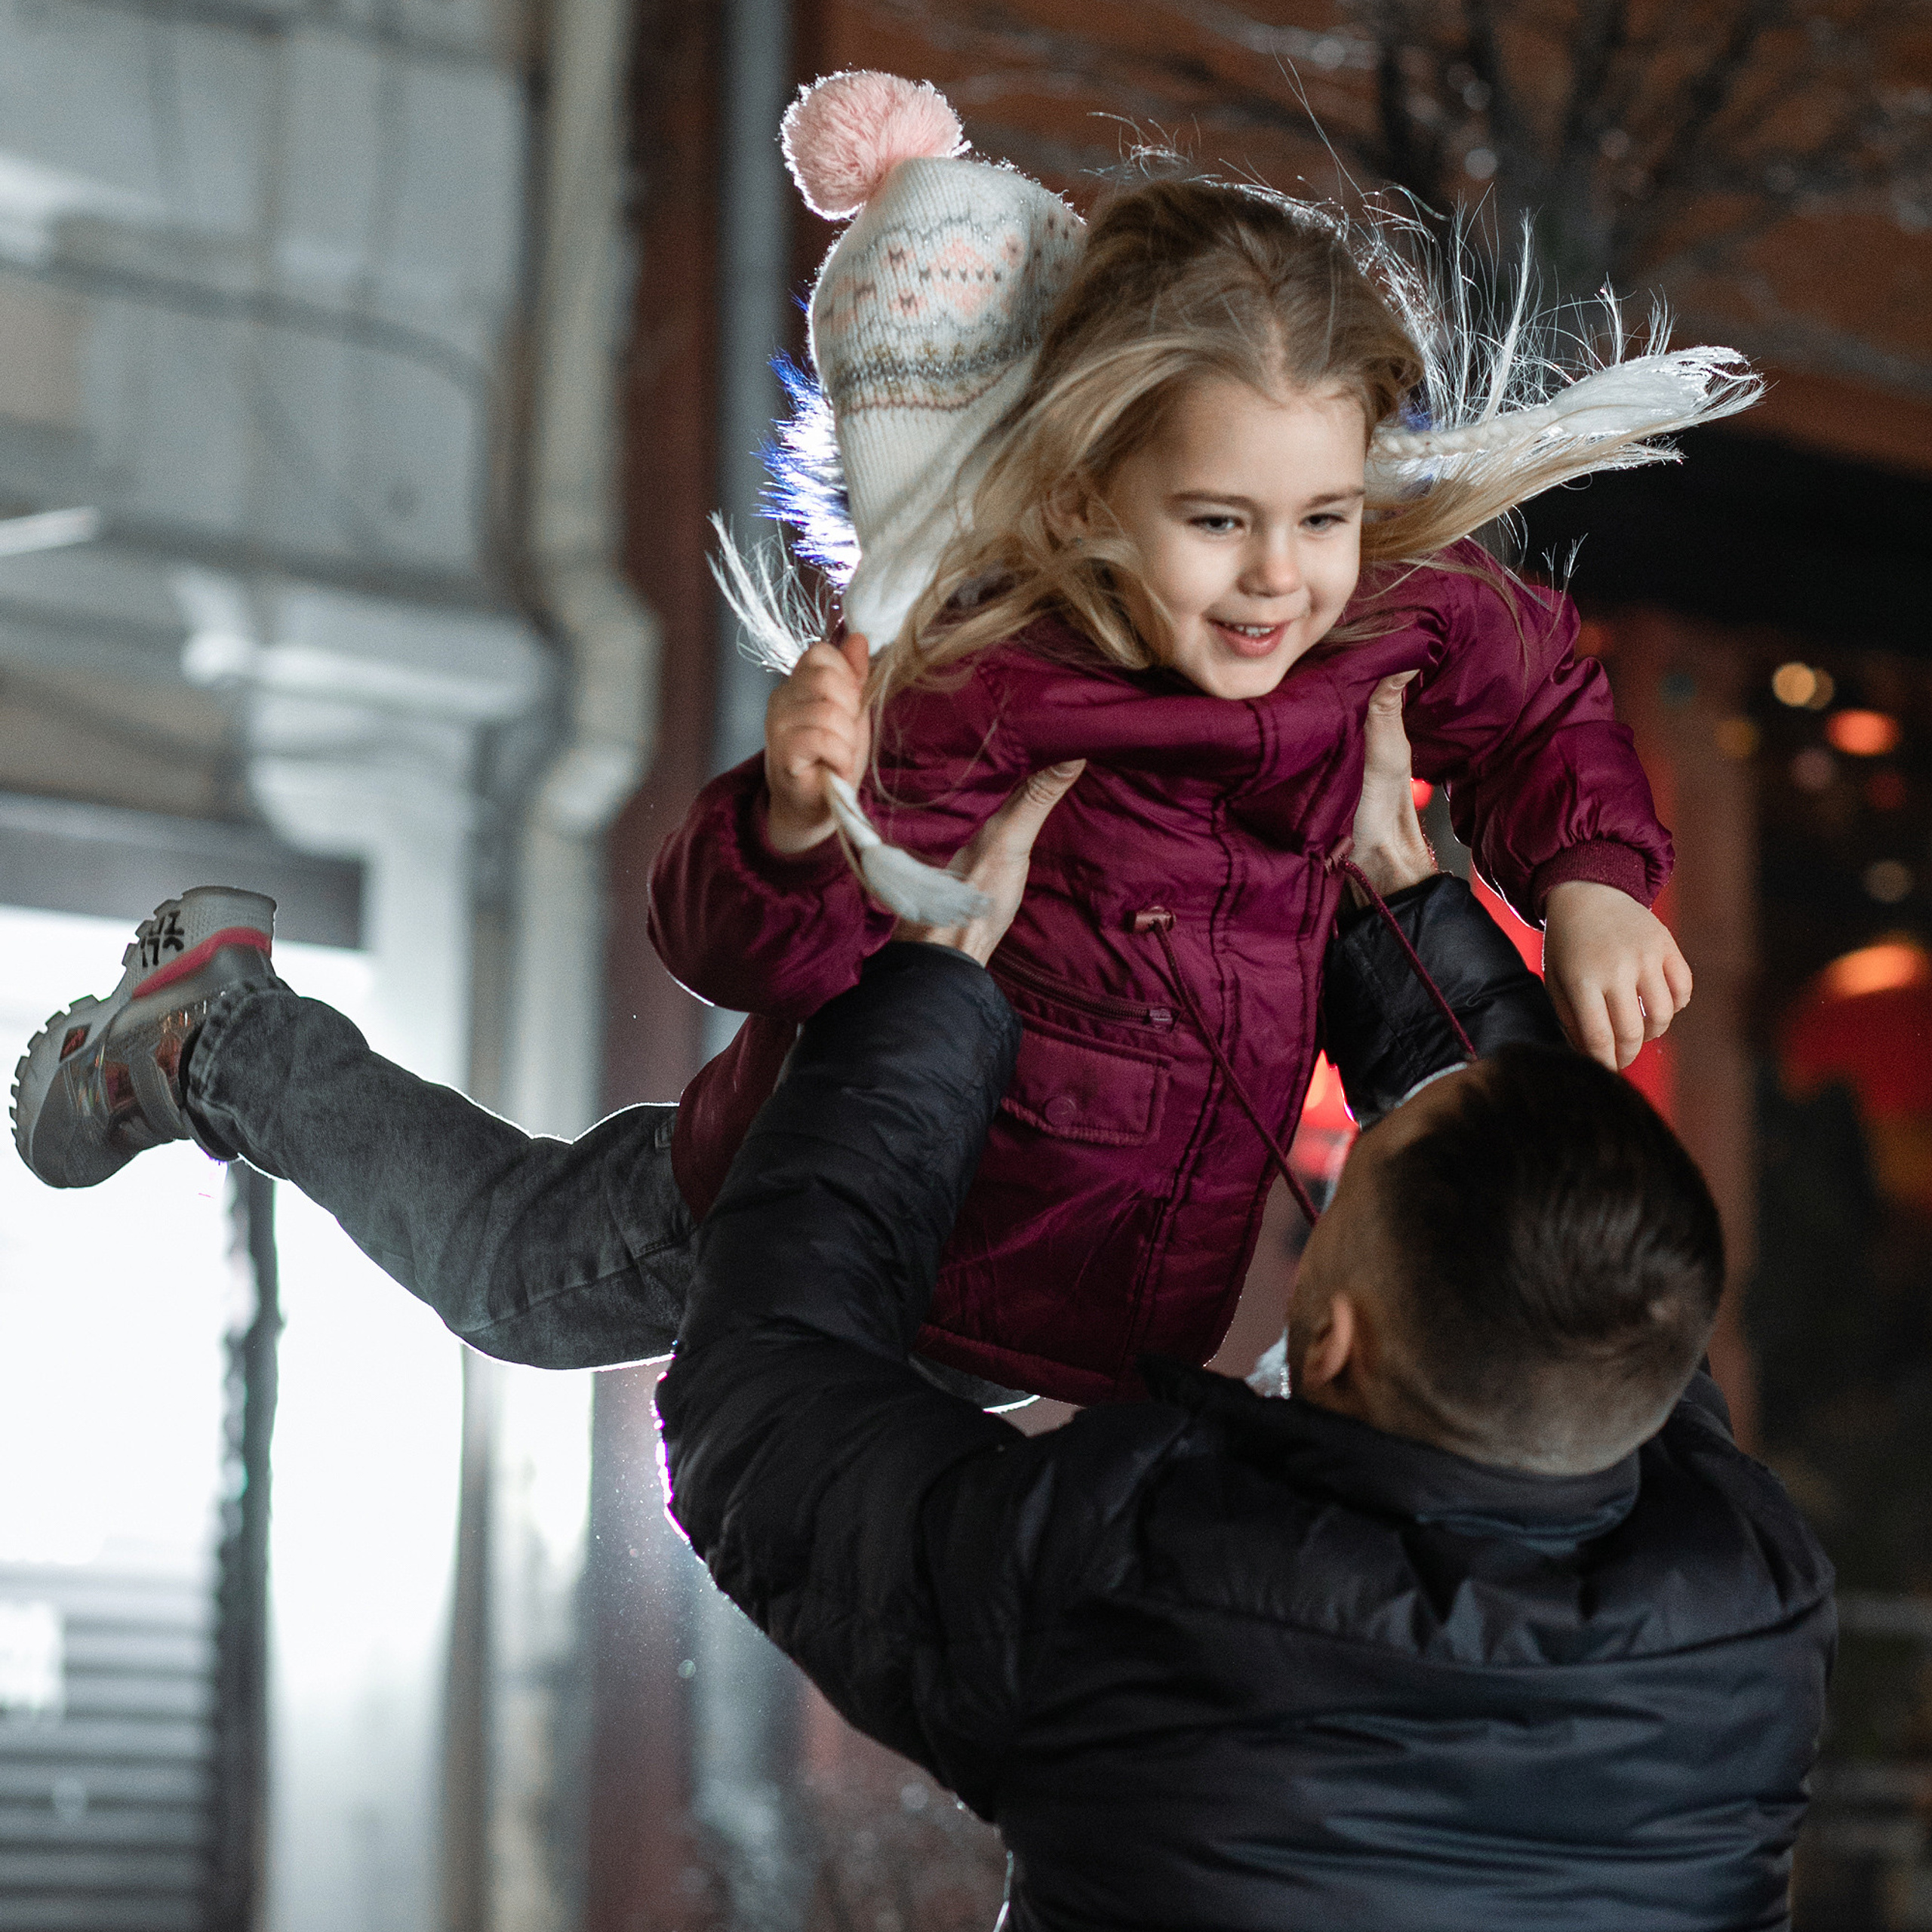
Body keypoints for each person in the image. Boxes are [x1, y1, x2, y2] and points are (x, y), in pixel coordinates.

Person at [650, 70, 1750, 1404]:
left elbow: (1538, 704)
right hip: (900, 1262)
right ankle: (335, 1101)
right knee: (528, 1283)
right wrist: (792, 824)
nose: (1280, 579)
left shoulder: (1396, 611)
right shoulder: (994, 678)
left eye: (1325, 516)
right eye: (1220, 521)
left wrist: (1592, 885)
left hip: (1133, 1323)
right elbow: (748, 958)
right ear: (1090, 486)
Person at [655, 749, 1835, 1932]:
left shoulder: (1143, 1588)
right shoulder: (1741, 1606)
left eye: (1333, 1208)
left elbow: (761, 1416)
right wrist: (1397, 909)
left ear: (1333, 1343)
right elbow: (1569, 1238)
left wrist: (929, 1002)